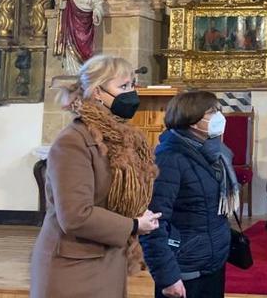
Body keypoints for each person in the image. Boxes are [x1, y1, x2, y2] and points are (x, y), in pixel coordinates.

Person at [30, 55, 160, 298]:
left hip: (104, 259)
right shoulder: (73, 141)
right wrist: (132, 225)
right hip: (74, 268)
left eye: (132, 85)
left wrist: (137, 213)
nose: (131, 93)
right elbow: (75, 215)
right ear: (97, 92)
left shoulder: (118, 137)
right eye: (123, 87)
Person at [141, 91, 237, 298]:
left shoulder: (215, 152)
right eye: (213, 112)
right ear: (193, 120)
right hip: (184, 267)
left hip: (212, 261)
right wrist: (167, 276)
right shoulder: (169, 159)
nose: (220, 117)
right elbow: (154, 223)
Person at [54, 0, 105, 74]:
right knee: (69, 48)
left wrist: (96, 13)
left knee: (85, 49)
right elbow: (63, 5)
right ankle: (72, 72)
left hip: (84, 26)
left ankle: (83, 72)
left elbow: (98, 4)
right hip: (71, 25)